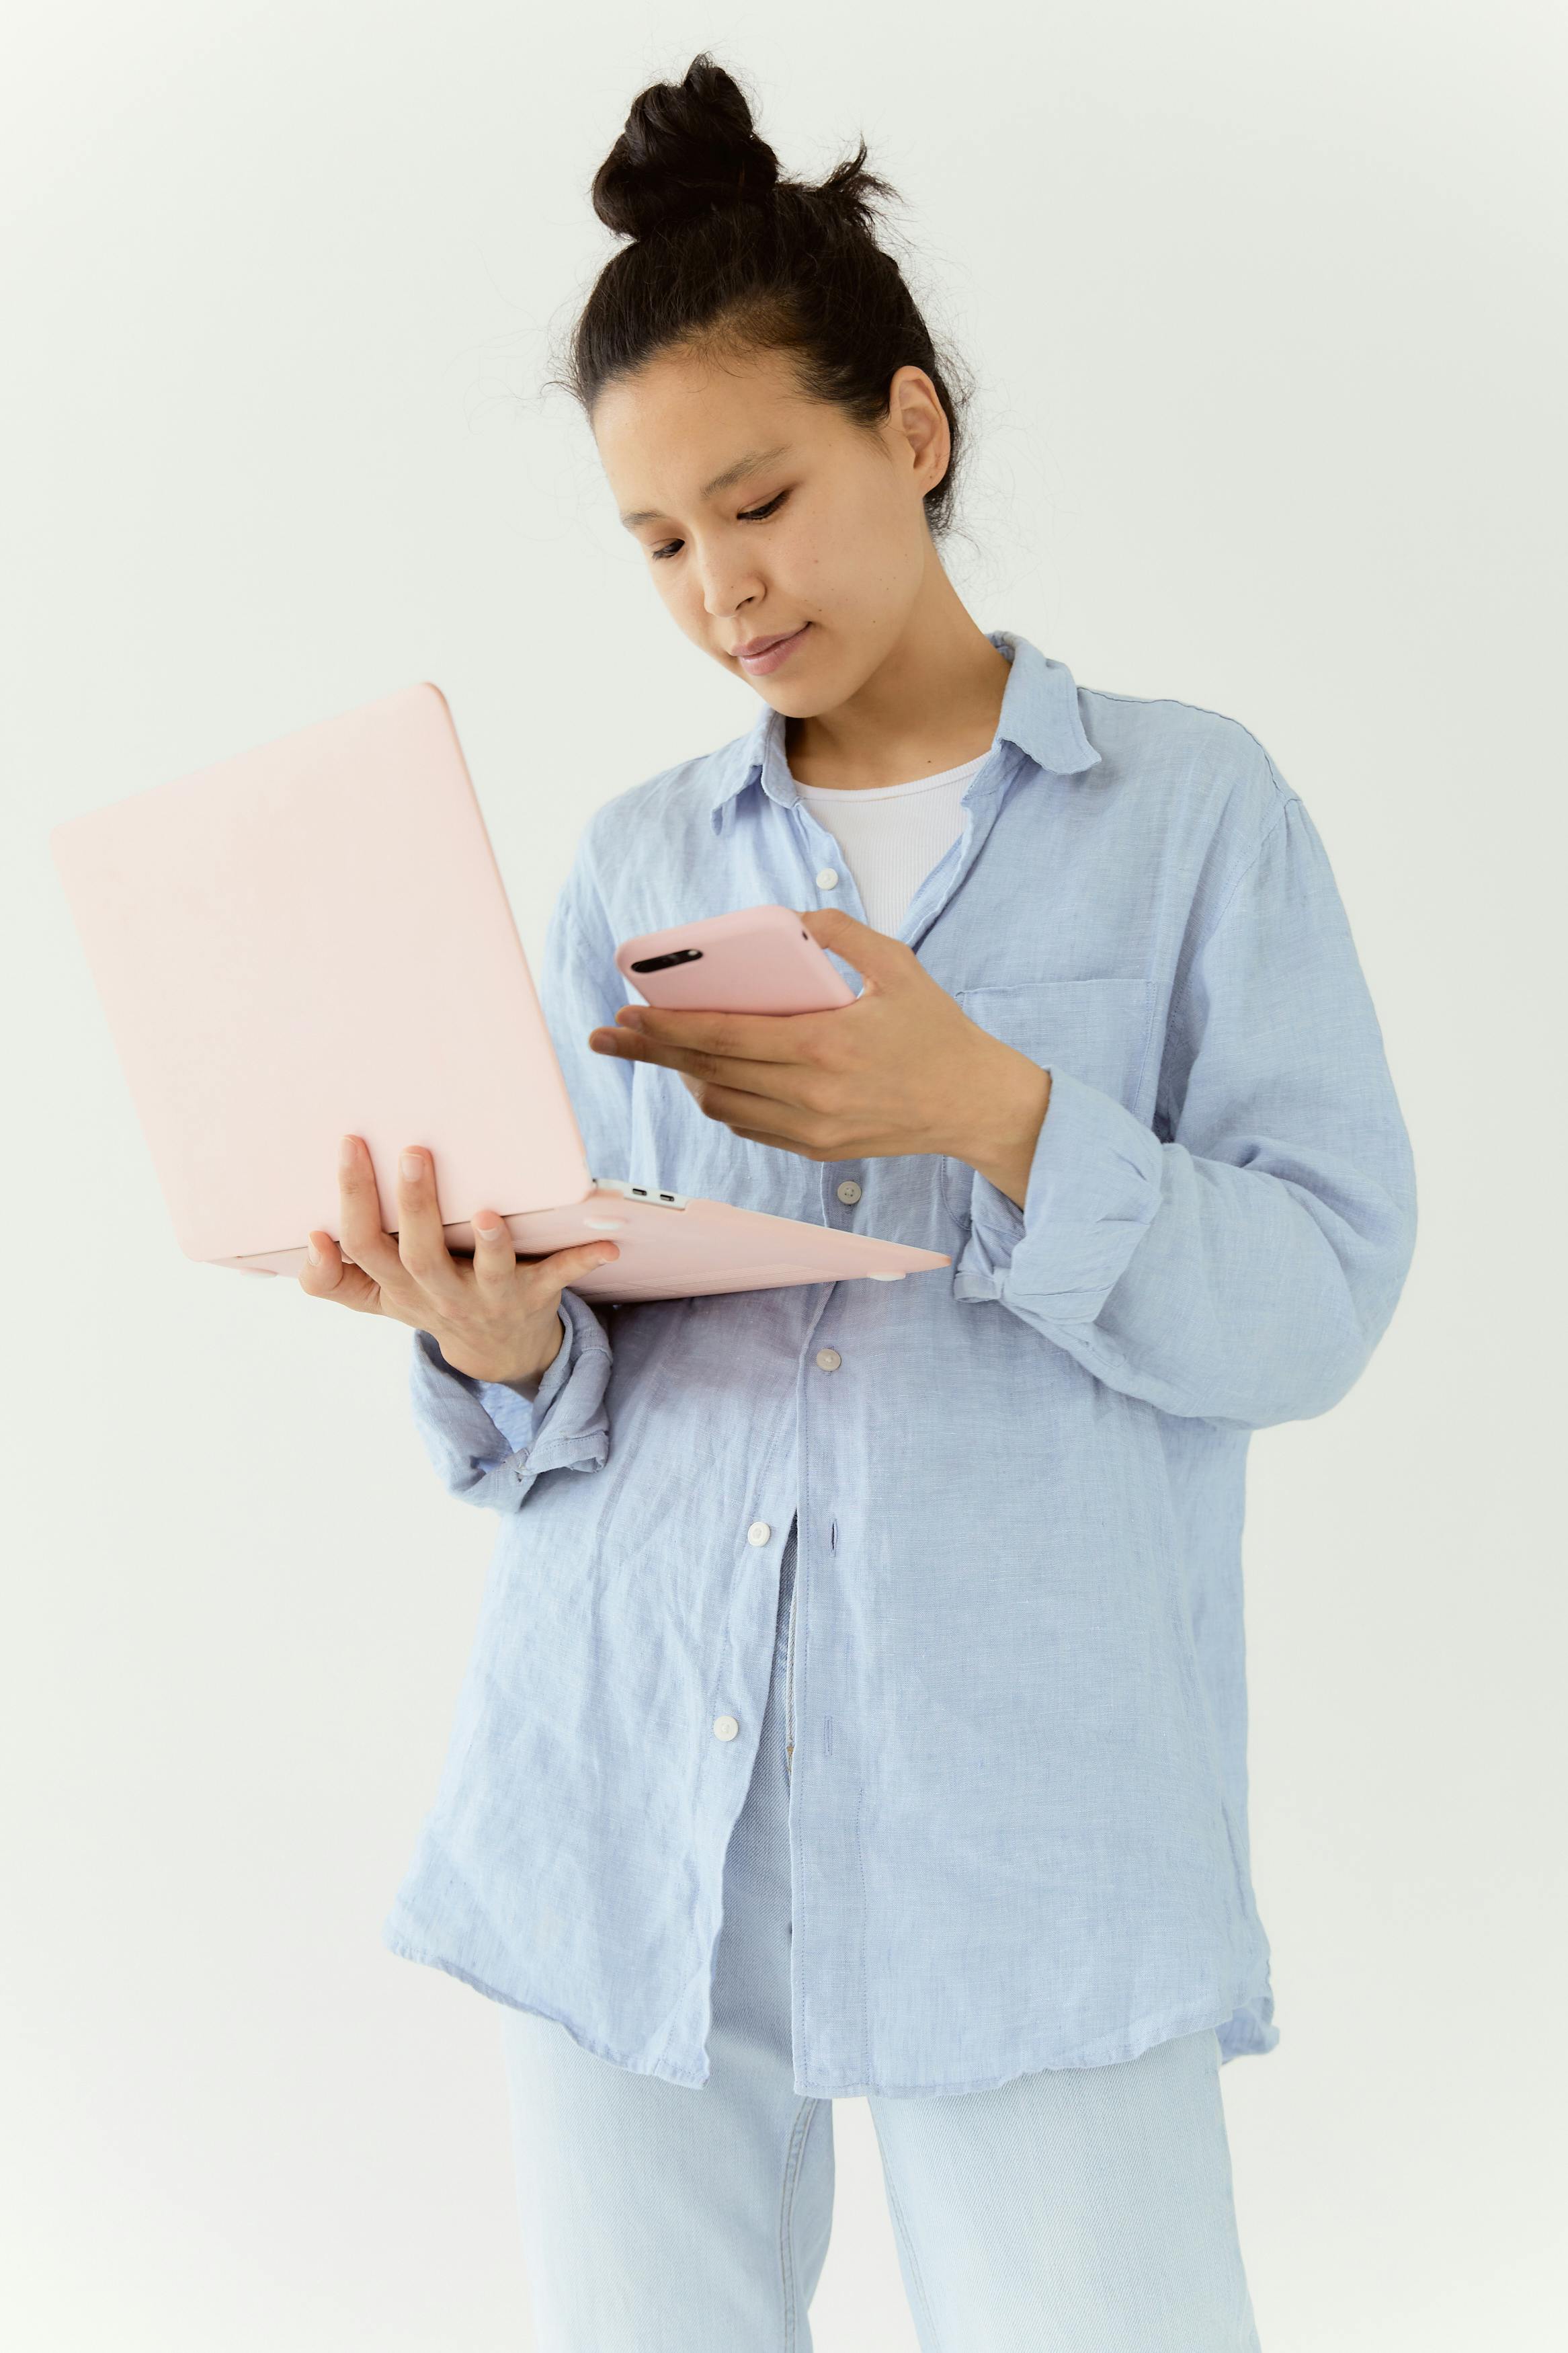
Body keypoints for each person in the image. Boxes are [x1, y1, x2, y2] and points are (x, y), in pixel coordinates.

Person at [298, 52, 1417, 2353]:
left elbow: (1315, 1301)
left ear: (910, 430)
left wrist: (994, 1109)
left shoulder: (1197, 817)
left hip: (1030, 1818)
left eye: (759, 498)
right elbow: (577, 1352)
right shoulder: (638, 863)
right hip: (625, 1784)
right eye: (660, 545)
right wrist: (495, 1334)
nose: (724, 586)